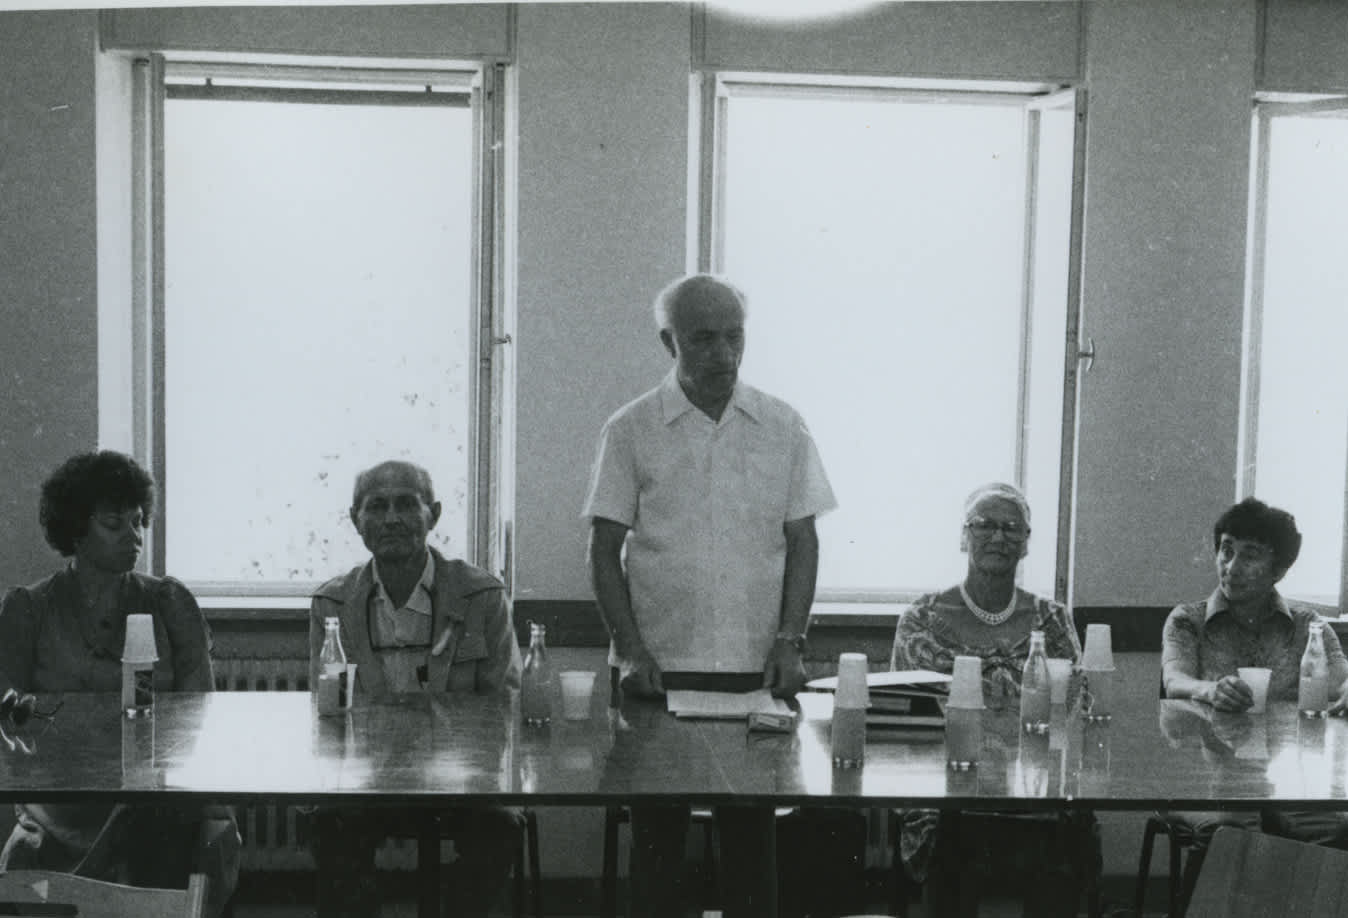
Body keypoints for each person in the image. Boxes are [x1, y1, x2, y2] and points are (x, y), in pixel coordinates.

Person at [584, 274, 837, 918]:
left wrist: (791, 640)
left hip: (757, 670)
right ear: (669, 341)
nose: (723, 354)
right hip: (658, 672)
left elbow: (802, 542)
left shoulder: (783, 424)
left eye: (735, 337)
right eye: (703, 339)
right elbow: (603, 548)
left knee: (754, 850)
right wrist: (630, 648)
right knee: (660, 854)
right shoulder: (631, 428)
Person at [0, 450, 238, 917]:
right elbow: (7, 716)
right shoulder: (29, 609)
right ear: (75, 530)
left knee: (164, 822)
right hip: (65, 799)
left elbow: (203, 719)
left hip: (157, 793)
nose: (134, 536)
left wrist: (215, 809)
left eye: (139, 521)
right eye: (115, 524)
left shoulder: (169, 602)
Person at [308, 459, 523, 918]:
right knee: (327, 825)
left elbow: (504, 702)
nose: (391, 519)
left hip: (464, 782)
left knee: (499, 828)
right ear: (355, 520)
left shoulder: (482, 596)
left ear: (434, 514)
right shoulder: (333, 603)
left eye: (407, 504)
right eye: (376, 506)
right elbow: (326, 710)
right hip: (367, 782)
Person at [890, 482, 1098, 918]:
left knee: (1065, 829)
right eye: (984, 525)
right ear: (963, 536)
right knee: (958, 832)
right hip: (949, 788)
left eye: (1011, 528)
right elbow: (909, 716)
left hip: (1034, 785)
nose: (998, 537)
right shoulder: (922, 618)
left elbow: (1079, 705)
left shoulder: (1053, 618)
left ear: (1026, 544)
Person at [1161, 496, 1348, 909]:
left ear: (1279, 570)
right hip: (1208, 781)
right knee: (1229, 834)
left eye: (1251, 556)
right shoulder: (1187, 620)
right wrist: (1209, 690)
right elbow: (1174, 680)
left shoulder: (1308, 627)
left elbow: (1341, 681)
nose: (1231, 566)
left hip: (1294, 782)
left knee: (1335, 832)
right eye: (1226, 550)